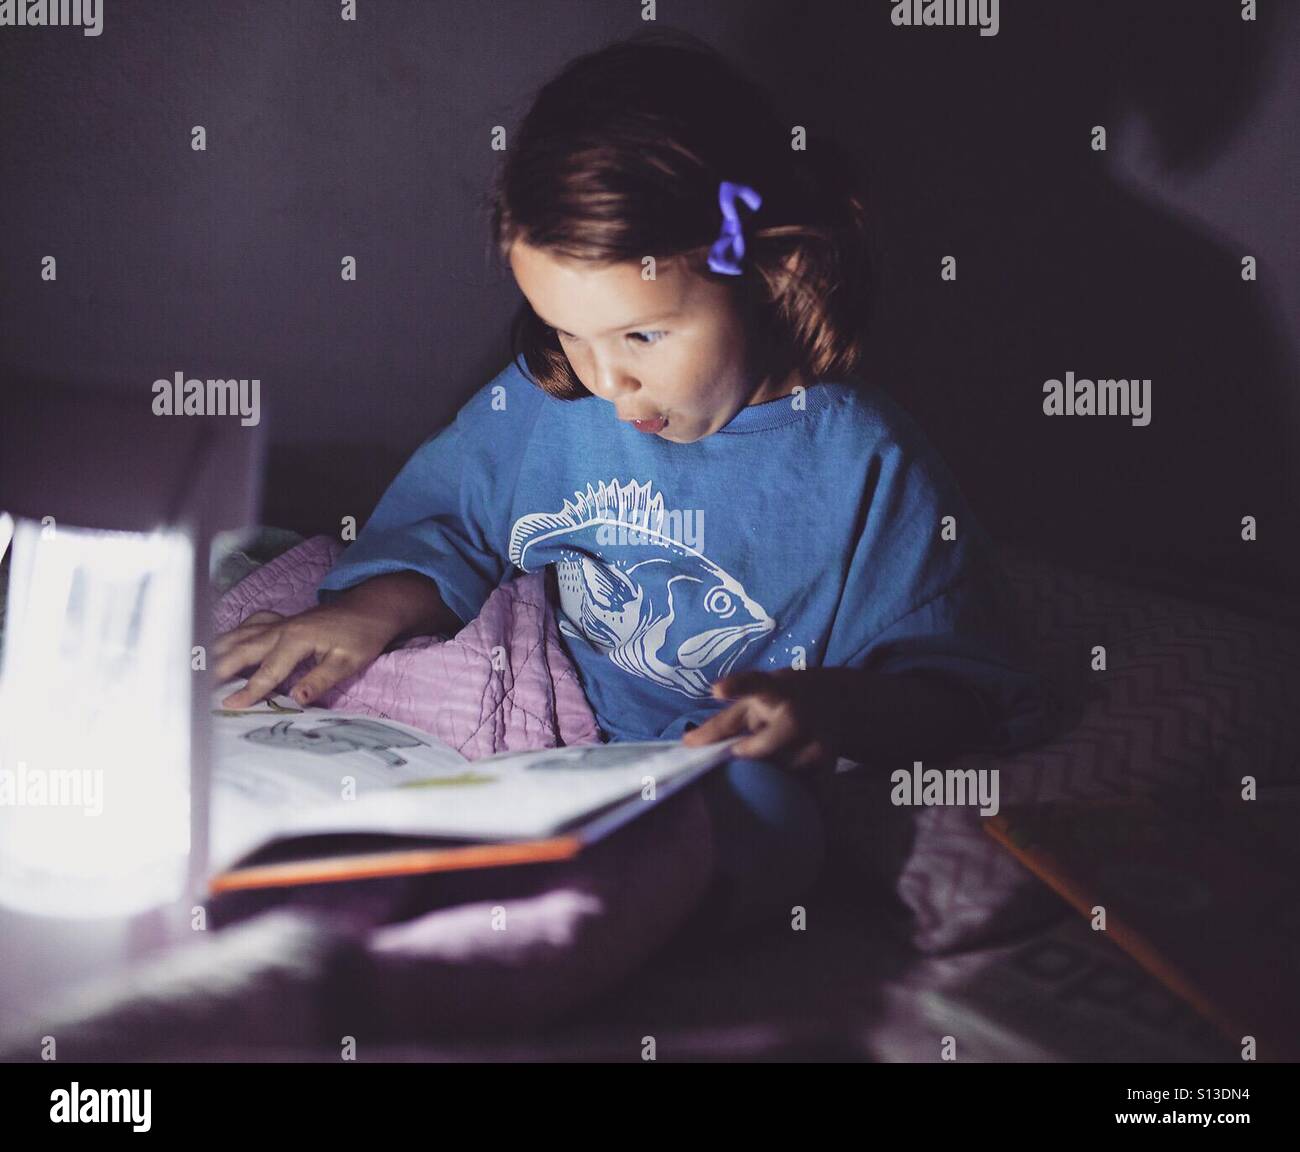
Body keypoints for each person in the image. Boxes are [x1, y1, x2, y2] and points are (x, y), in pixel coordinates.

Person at [214, 31, 1057, 937]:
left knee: (769, 827)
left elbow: (957, 687)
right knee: (278, 654)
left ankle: (539, 939)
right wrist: (371, 611)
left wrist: (836, 710)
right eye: (566, 330)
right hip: (523, 716)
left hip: (699, 773)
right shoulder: (551, 397)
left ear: (780, 272)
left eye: (642, 337)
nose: (605, 382)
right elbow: (447, 526)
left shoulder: (866, 465)